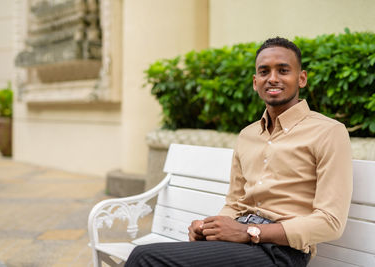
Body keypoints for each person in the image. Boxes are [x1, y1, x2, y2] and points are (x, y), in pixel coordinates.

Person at [125, 37, 353, 267]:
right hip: (239, 242)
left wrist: (249, 232)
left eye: (283, 70)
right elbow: (235, 203)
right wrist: (209, 227)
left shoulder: (329, 132)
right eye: (264, 72)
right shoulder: (247, 136)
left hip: (280, 252)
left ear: (301, 78)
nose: (273, 78)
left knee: (143, 257)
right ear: (256, 82)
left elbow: (330, 222)